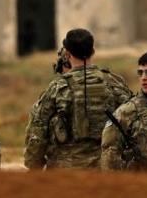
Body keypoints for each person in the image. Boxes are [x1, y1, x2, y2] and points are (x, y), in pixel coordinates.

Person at [24, 28, 132, 169]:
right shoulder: (114, 82)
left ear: (67, 54)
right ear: (93, 51)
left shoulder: (58, 87)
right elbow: (133, 122)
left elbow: (38, 129)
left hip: (66, 172)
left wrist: (33, 165)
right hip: (106, 170)